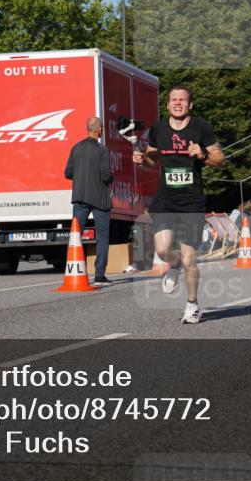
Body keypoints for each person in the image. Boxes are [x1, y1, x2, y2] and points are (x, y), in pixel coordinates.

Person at [133, 85, 225, 324]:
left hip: (192, 200)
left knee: (189, 259)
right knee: (163, 250)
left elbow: (220, 159)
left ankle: (193, 305)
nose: (177, 103)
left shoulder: (201, 127)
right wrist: (141, 160)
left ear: (190, 104)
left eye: (182, 100)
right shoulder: (159, 129)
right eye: (173, 100)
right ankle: (171, 267)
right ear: (167, 105)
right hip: (166, 198)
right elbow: (151, 160)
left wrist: (202, 154)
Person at [64, 116, 114, 286]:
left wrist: (81, 176)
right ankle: (99, 275)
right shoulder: (102, 150)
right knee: (102, 236)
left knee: (75, 236)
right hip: (100, 199)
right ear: (99, 129)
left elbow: (68, 173)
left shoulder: (76, 148)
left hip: (79, 198)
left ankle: (73, 269)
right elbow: (106, 174)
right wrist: (111, 177)